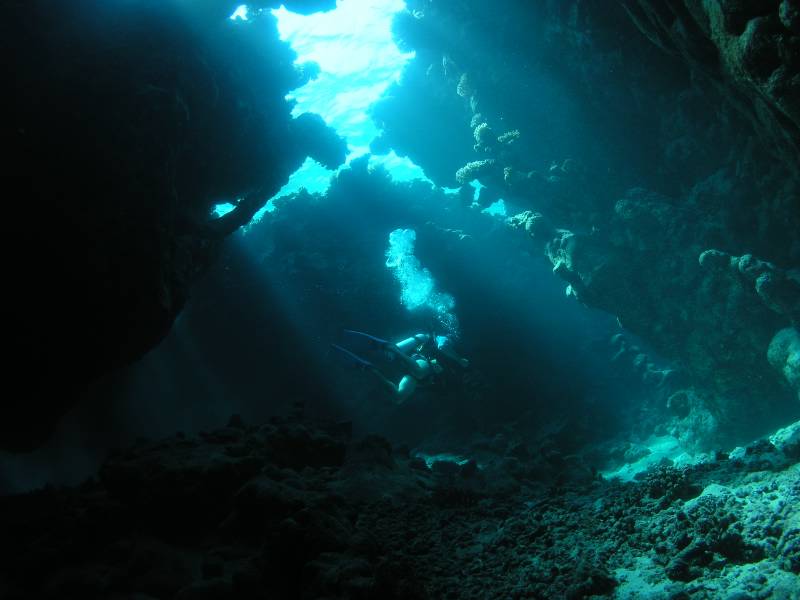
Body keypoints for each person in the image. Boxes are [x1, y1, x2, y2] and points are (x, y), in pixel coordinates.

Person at [332, 330, 469, 404]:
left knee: (398, 397)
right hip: (420, 361)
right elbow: (442, 346)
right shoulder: (444, 340)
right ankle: (392, 349)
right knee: (419, 372)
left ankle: (369, 369)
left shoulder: (453, 369)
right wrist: (460, 360)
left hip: (421, 378)